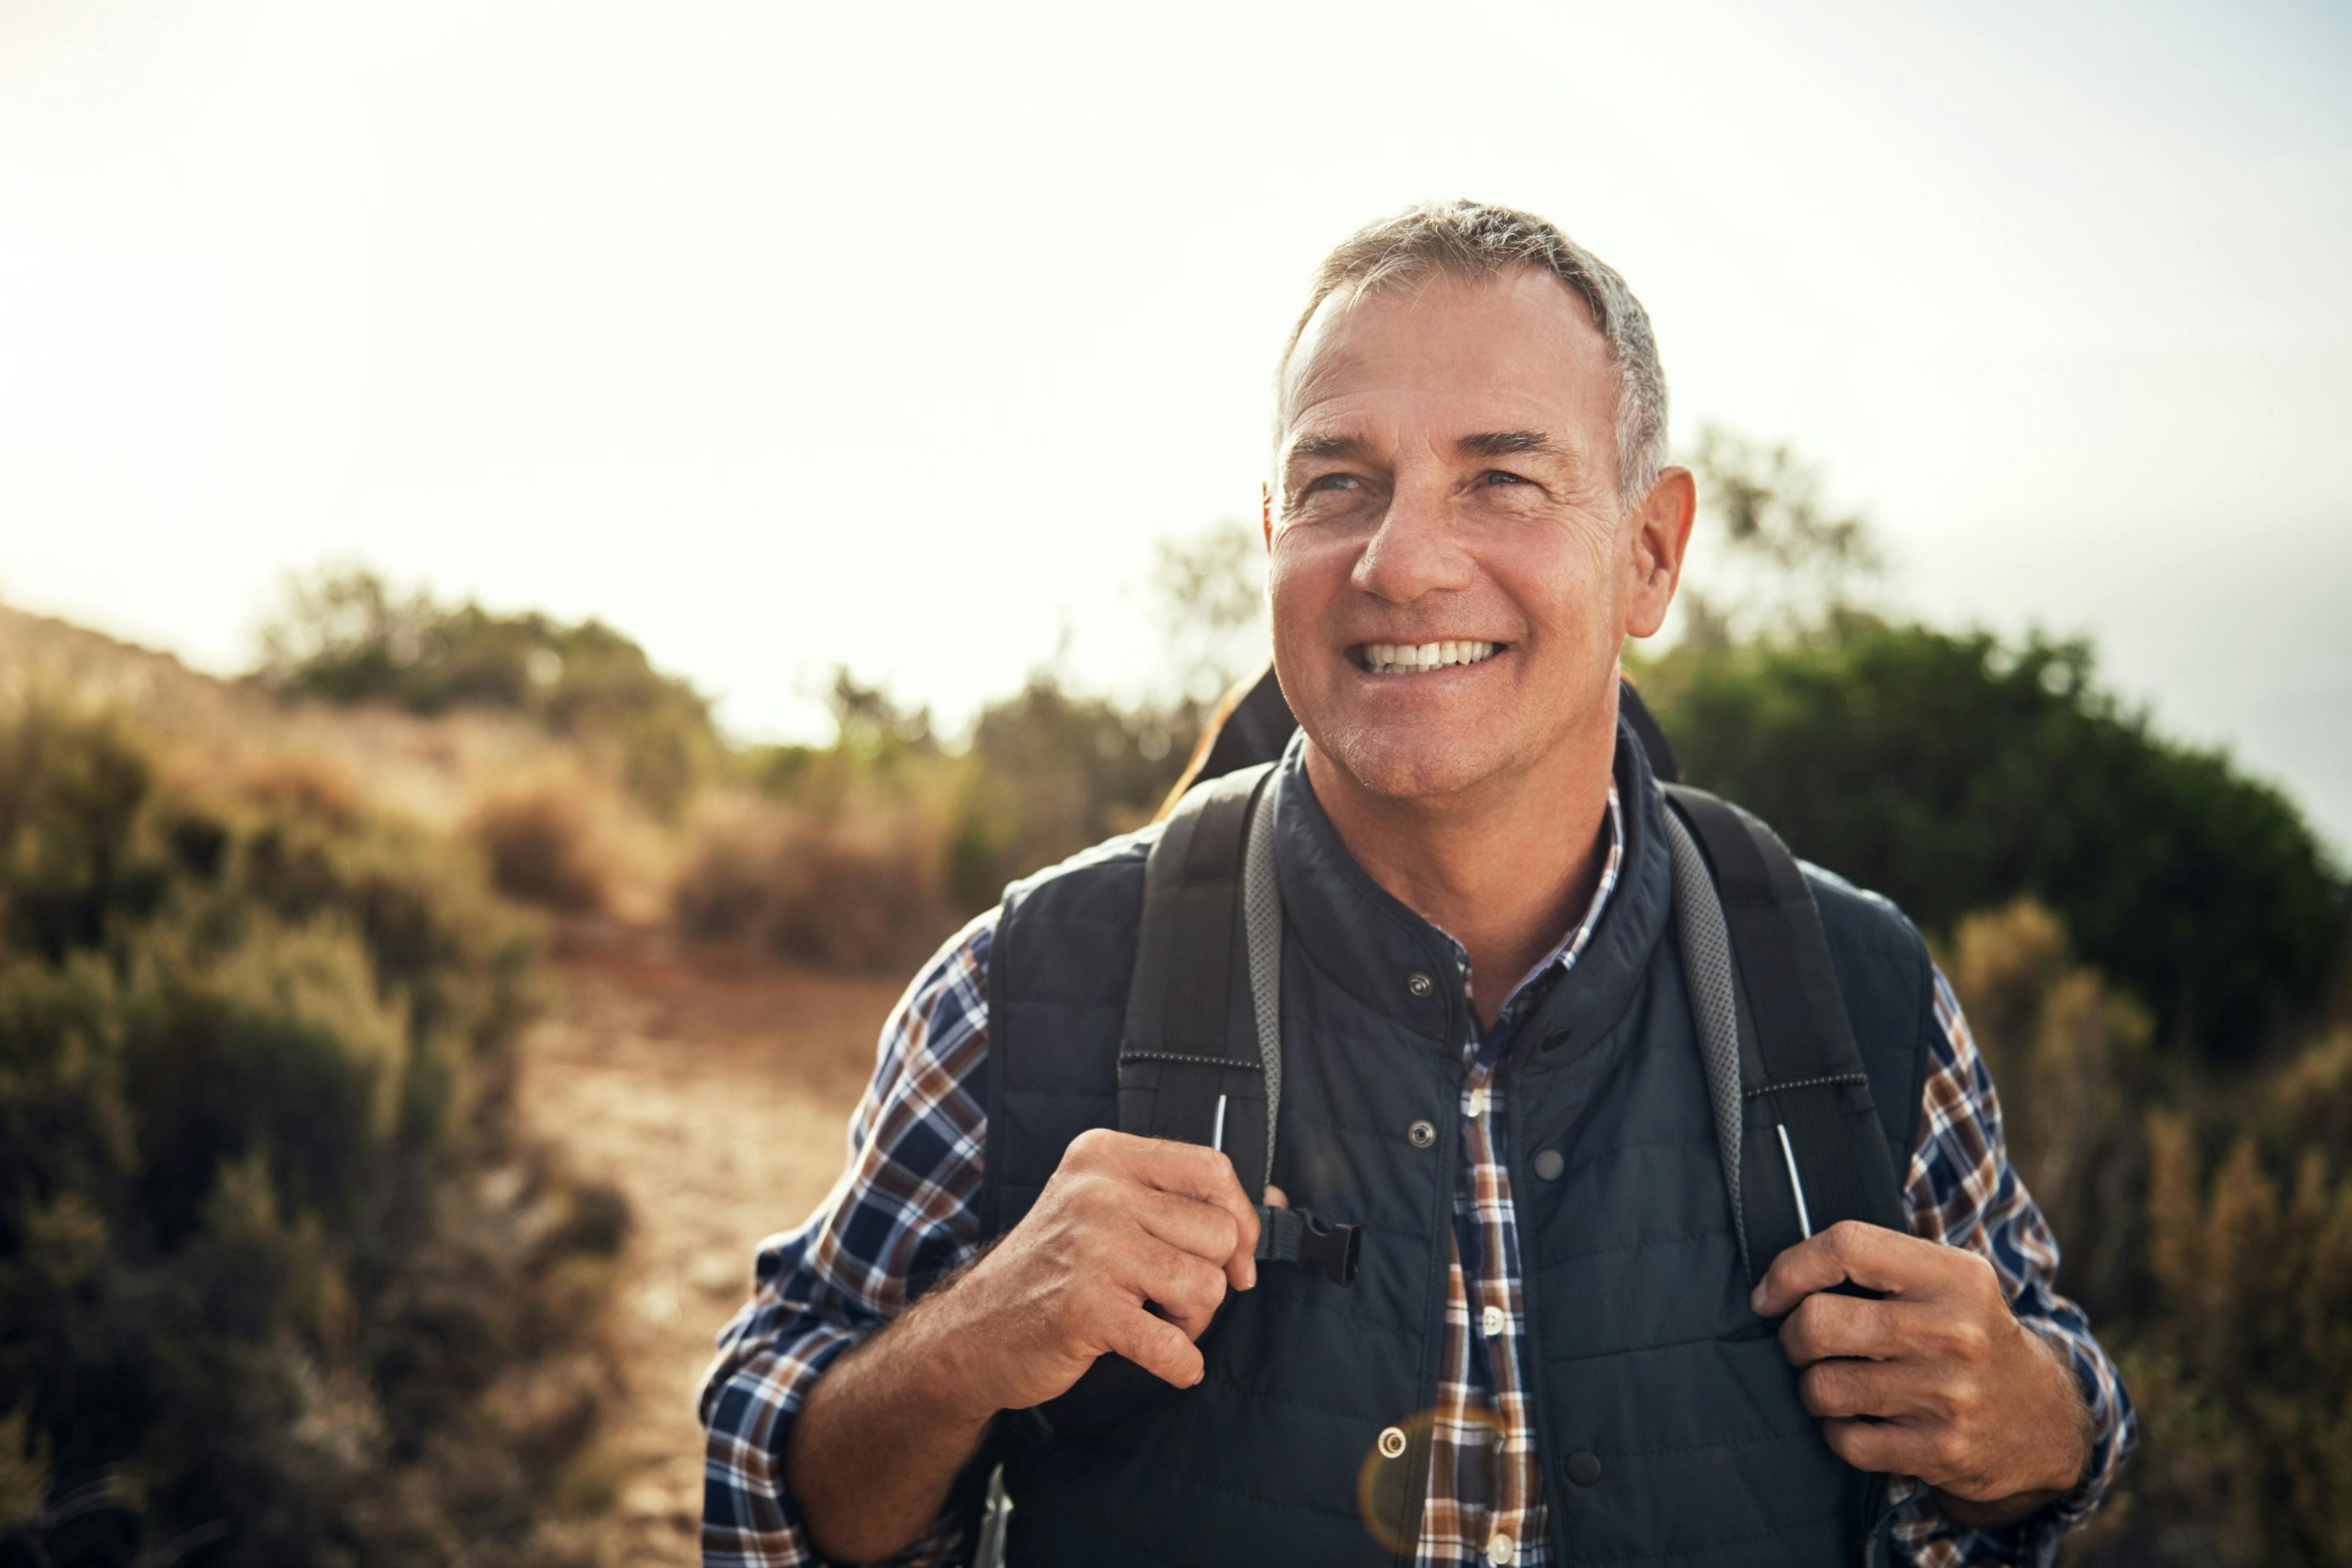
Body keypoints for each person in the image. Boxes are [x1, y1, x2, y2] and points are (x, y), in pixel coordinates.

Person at [699, 200, 2134, 1567]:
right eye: (1341, 484)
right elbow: (776, 1492)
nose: (1401, 560)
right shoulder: (1018, 985)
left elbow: (2044, 1432)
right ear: (1274, 534)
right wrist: (965, 1343)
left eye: (1500, 478)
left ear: (1650, 550)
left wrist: (2045, 1422)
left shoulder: (1860, 989)